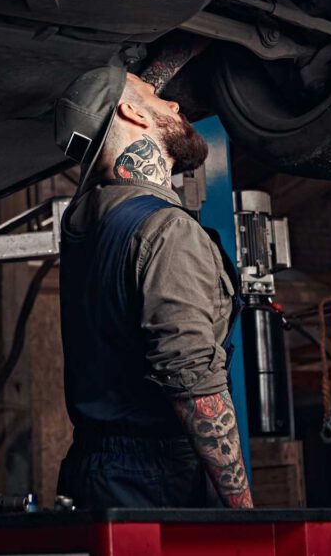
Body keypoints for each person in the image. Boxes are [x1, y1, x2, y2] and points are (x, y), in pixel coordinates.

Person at [53, 66, 253, 510]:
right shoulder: (165, 230)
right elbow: (192, 379)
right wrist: (243, 511)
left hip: (92, 469)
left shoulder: (86, 222)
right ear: (131, 113)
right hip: (153, 478)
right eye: (157, 97)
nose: (175, 104)